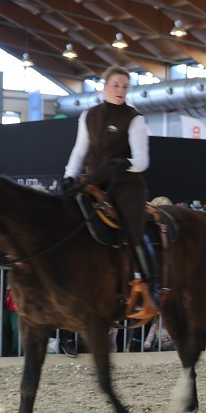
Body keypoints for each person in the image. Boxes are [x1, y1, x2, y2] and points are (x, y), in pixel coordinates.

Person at [61, 65, 154, 319]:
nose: (121, 90)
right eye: (116, 85)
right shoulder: (88, 116)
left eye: (125, 86)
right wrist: (69, 176)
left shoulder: (134, 119)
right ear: (104, 87)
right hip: (93, 183)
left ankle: (147, 285)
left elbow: (142, 160)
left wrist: (127, 163)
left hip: (127, 185)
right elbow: (79, 151)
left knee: (133, 230)